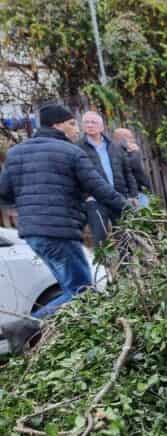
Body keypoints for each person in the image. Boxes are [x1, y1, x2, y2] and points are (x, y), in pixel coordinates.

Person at [0, 103, 127, 319]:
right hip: (59, 232)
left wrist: (28, 202)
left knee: (71, 288)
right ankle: (28, 326)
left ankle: (58, 334)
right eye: (71, 123)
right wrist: (129, 211)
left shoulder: (16, 153)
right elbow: (100, 188)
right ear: (57, 125)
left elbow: (4, 193)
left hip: (33, 234)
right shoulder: (71, 152)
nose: (77, 129)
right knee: (82, 292)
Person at [79, 111, 137, 246]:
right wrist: (85, 196)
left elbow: (128, 172)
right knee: (100, 239)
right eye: (86, 122)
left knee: (125, 236)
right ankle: (104, 266)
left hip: (118, 197)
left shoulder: (115, 146)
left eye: (94, 122)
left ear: (101, 127)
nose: (90, 125)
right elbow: (75, 177)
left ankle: (125, 265)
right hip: (95, 200)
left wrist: (133, 195)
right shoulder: (78, 148)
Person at [112, 127, 152, 208]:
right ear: (120, 139)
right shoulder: (119, 152)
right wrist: (135, 153)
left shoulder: (127, 151)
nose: (133, 140)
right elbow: (134, 166)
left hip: (139, 191)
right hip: (132, 194)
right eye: (130, 137)